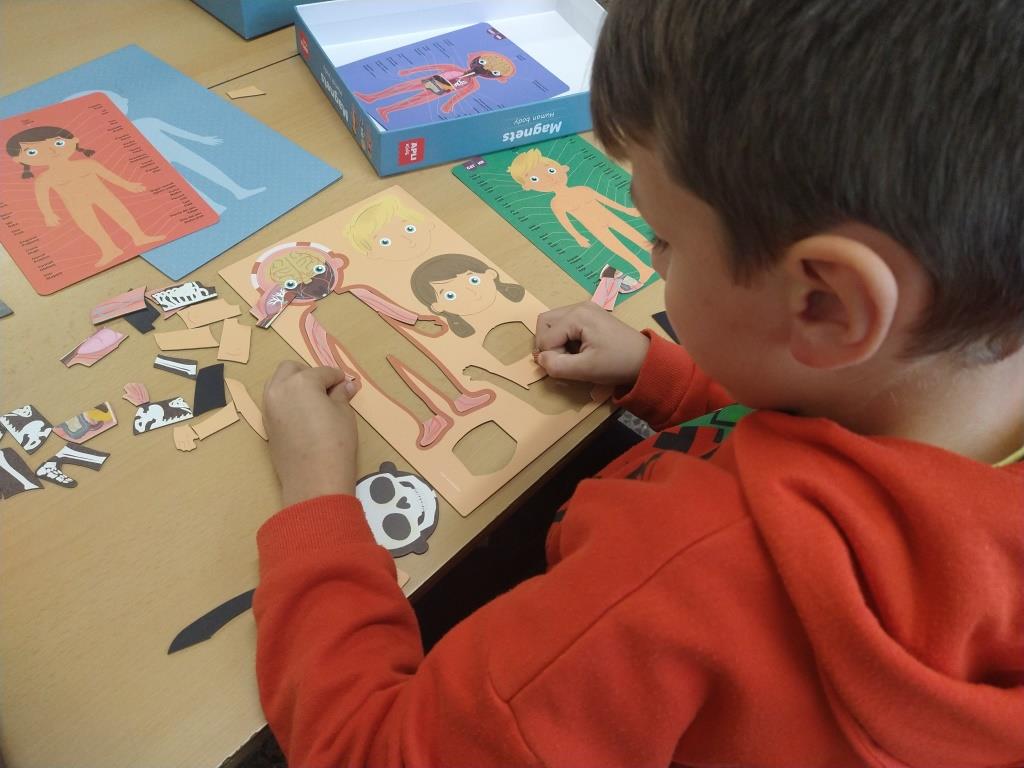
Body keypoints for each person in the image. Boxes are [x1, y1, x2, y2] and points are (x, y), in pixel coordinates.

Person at [256, 0, 1024, 765]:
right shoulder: (968, 395)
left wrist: (318, 497)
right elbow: (851, 450)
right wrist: (669, 381)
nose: (654, 259)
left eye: (664, 238)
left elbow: (368, 751)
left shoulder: (674, 579)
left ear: (824, 304)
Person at [6, 125, 164, 266]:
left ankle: (139, 237)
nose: (51, 152)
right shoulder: (44, 179)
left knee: (121, 213)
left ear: (74, 141)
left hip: (103, 195)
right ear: (18, 159)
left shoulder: (87, 164)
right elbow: (42, 198)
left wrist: (127, 184)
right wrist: (48, 214)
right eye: (32, 152)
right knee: (89, 225)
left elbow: (109, 176)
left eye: (58, 143)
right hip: (76, 204)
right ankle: (109, 249)